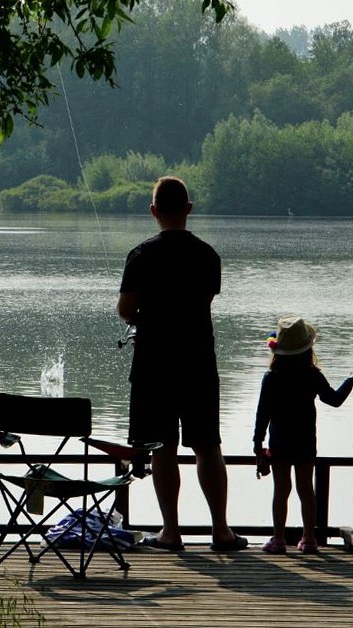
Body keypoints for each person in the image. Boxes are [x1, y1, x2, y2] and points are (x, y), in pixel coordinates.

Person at [116, 175, 246, 552]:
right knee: (208, 445)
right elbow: (202, 304)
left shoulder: (141, 254)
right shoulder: (208, 256)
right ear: (188, 209)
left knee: (163, 447)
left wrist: (142, 315)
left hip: (154, 364)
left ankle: (171, 532)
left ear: (153, 211)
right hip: (198, 361)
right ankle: (221, 531)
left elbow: (126, 309)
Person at [253, 316, 353, 554]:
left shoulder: (271, 377)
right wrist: (350, 379)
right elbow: (334, 400)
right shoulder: (311, 374)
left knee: (281, 490)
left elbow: (262, 413)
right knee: (306, 489)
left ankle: (278, 539)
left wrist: (258, 444)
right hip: (305, 440)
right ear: (307, 349)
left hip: (280, 441)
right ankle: (309, 538)